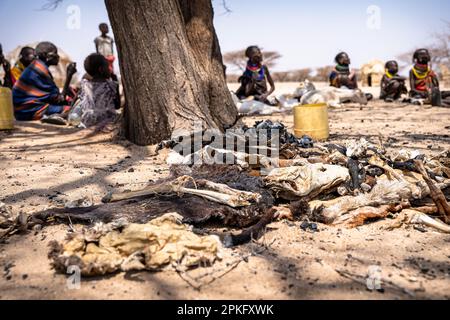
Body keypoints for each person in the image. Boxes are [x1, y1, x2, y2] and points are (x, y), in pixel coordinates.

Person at [12, 41, 77, 122]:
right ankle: (51, 117)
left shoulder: (36, 66)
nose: (57, 56)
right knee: (71, 110)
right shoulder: (41, 70)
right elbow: (59, 99)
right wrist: (69, 76)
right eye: (55, 53)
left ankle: (52, 116)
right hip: (29, 112)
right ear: (46, 56)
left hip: (20, 112)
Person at [68, 53, 120, 129]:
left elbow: (75, 100)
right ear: (101, 69)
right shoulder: (111, 85)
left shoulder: (84, 85)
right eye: (107, 66)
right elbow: (117, 106)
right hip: (107, 120)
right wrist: (115, 81)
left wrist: (71, 112)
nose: (110, 69)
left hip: (88, 121)